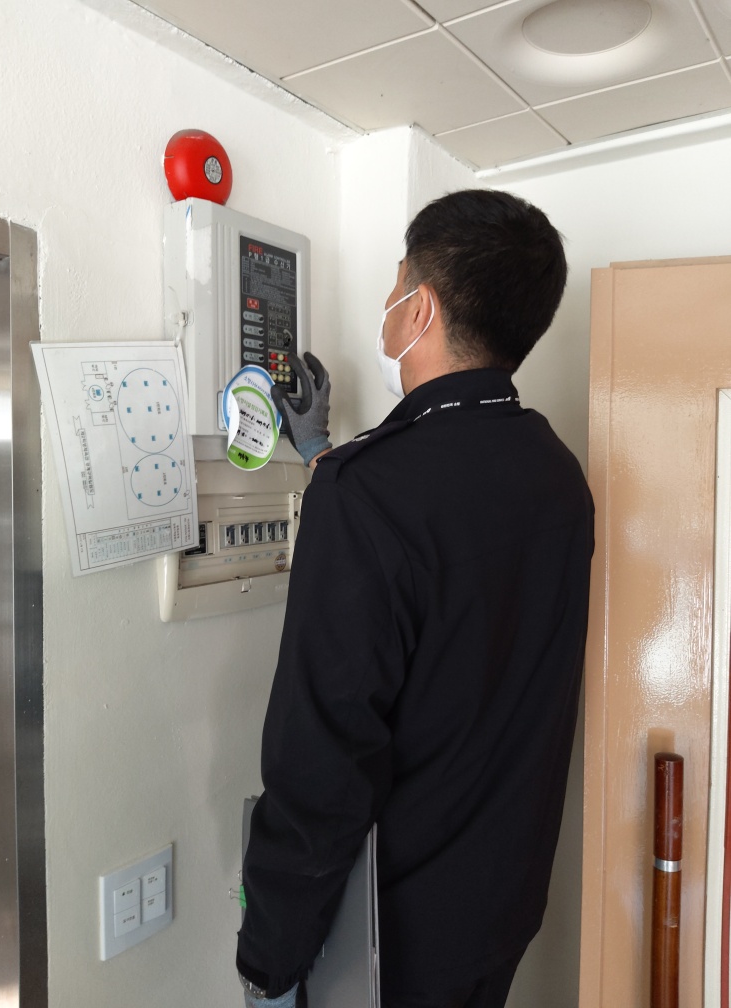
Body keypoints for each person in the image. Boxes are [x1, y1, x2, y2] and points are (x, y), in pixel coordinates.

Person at [236, 188, 594, 1008]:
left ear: (420, 308)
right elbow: (455, 592)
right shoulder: (557, 475)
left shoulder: (368, 494)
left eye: (396, 284)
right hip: (500, 910)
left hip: (392, 940)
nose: (388, 303)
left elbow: (321, 763)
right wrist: (322, 452)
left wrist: (269, 957)